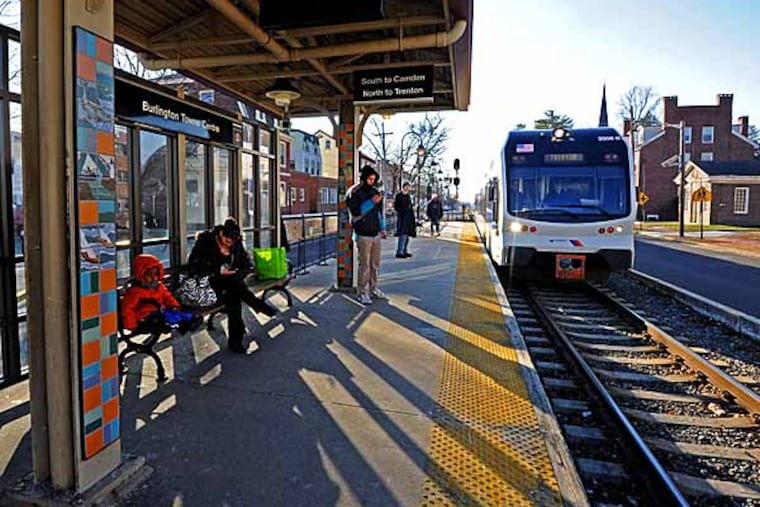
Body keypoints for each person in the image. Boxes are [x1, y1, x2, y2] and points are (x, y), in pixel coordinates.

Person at [189, 217, 277, 354]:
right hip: (207, 285)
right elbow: (194, 267)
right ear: (221, 234)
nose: (229, 244)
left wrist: (237, 273)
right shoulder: (205, 243)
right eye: (227, 241)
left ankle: (235, 342)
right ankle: (257, 306)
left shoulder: (235, 245)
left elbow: (246, 265)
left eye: (232, 242)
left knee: (234, 296)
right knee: (234, 293)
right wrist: (217, 270)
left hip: (230, 284)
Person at [121, 253, 202, 334]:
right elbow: (127, 309)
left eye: (156, 274)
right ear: (141, 274)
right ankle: (183, 324)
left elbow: (167, 297)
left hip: (160, 311)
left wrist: (174, 305)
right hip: (146, 316)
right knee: (172, 316)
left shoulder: (158, 286)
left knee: (179, 313)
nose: (153, 277)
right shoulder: (135, 291)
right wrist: (132, 326)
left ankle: (190, 320)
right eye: (149, 274)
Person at [346, 165, 387, 304]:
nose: (372, 181)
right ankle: (362, 292)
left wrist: (383, 228)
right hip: (362, 234)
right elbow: (356, 211)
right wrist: (371, 202)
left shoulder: (375, 191)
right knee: (364, 265)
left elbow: (379, 213)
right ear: (364, 178)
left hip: (375, 233)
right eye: (370, 179)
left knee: (375, 264)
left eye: (374, 179)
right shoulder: (354, 192)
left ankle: (373, 289)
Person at [393, 181, 416, 258]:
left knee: (407, 235)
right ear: (404, 187)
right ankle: (400, 251)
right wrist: (404, 210)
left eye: (409, 187)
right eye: (407, 186)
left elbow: (410, 207)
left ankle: (404, 250)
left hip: (408, 217)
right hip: (402, 217)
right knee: (402, 234)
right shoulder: (399, 196)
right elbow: (396, 207)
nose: (408, 188)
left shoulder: (408, 196)